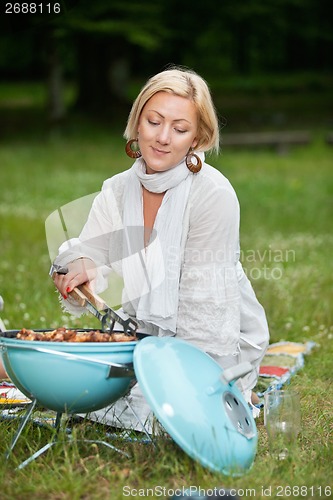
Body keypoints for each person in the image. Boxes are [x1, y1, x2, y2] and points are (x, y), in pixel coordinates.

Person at [52, 66, 269, 432]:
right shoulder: (118, 190)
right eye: (154, 122)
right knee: (76, 392)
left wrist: (174, 385)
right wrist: (84, 264)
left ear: (197, 138)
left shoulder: (212, 196)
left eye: (180, 129)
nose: (164, 137)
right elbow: (85, 250)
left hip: (213, 338)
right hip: (142, 339)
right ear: (138, 124)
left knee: (179, 418)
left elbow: (205, 320)